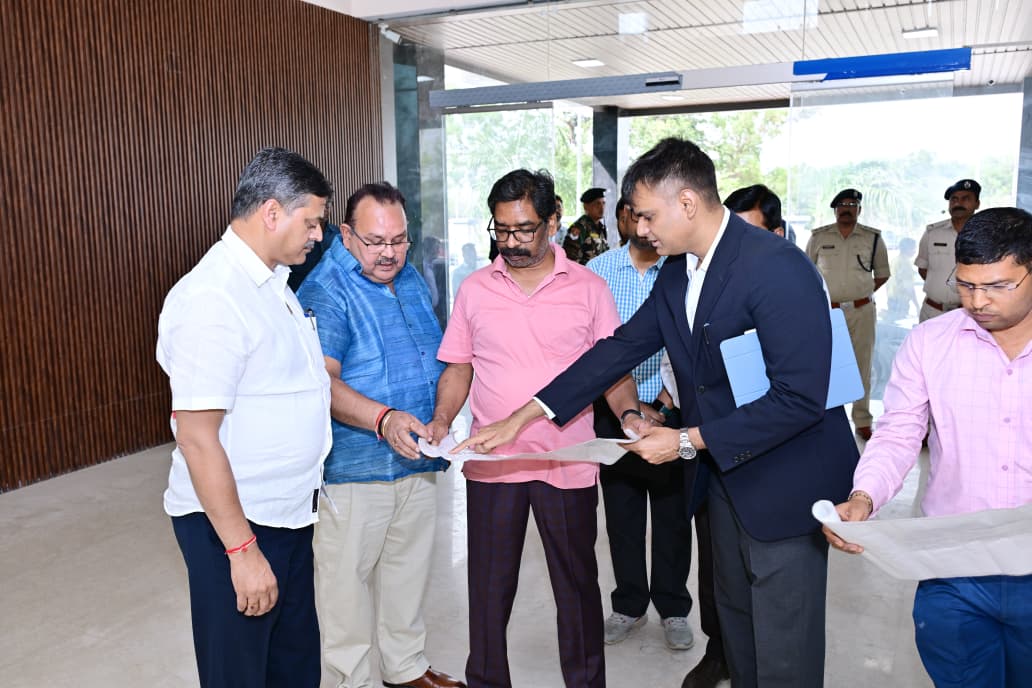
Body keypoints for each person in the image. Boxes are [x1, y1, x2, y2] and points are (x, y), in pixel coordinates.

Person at [456, 138, 860, 688]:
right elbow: (618, 351)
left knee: (784, 648)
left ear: (687, 203)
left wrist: (686, 439)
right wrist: (523, 416)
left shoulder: (777, 266)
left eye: (647, 215)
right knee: (737, 631)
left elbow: (800, 398)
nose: (640, 229)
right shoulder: (678, 272)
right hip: (727, 478)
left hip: (786, 483)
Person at [429, 168, 641, 688]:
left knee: (576, 586)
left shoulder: (588, 288)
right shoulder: (475, 289)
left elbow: (610, 371)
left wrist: (629, 414)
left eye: (524, 229)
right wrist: (441, 420)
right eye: (501, 230)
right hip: (492, 463)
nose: (511, 242)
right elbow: (458, 366)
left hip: (567, 461)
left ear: (552, 221)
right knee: (489, 587)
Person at [824, 207, 1032, 688]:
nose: (978, 301)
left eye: (998, 286)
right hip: (953, 569)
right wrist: (864, 497)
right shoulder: (930, 342)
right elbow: (899, 432)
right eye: (966, 285)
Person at [156, 147, 333, 688]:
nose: (318, 235)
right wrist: (241, 550)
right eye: (312, 222)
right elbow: (197, 438)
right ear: (272, 212)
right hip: (235, 526)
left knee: (292, 669)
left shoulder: (272, 285)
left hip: (286, 517)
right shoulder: (213, 298)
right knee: (240, 673)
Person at [296, 183, 464, 688]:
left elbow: (436, 354)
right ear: (346, 234)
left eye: (398, 240)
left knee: (407, 570)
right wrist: (383, 419)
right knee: (345, 586)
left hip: (416, 454)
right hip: (355, 466)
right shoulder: (326, 290)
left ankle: (404, 666)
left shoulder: (408, 277)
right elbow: (321, 383)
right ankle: (351, 680)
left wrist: (439, 416)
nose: (389, 253)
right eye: (374, 241)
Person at [585, 199, 696, 653]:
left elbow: (693, 342)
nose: (644, 224)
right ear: (623, 218)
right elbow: (594, 346)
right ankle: (629, 604)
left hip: (674, 410)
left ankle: (674, 607)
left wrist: (665, 404)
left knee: (673, 514)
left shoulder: (683, 269)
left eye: (651, 215)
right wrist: (628, 409)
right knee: (622, 514)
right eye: (635, 214)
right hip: (615, 412)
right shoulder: (598, 271)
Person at [805, 188, 891, 440]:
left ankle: (862, 420)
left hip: (861, 311)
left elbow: (882, 274)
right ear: (835, 209)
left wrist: (858, 293)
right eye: (842, 204)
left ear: (859, 209)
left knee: (861, 365)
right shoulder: (819, 237)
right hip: (827, 312)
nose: (847, 208)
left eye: (852, 204)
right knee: (823, 364)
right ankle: (822, 417)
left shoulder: (872, 238)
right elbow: (806, 271)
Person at [916, 178, 981, 322]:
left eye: (965, 199)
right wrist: (941, 288)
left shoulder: (986, 235)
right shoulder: (933, 232)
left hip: (971, 314)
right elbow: (923, 269)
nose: (958, 203)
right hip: (933, 311)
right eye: (954, 199)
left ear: (977, 203)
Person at [563, 187, 610, 264]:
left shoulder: (601, 227)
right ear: (586, 206)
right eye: (597, 203)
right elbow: (570, 258)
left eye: (603, 203)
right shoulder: (580, 227)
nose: (602, 207)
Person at [887, 237, 920, 320]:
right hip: (900, 302)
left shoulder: (895, 260)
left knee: (893, 323)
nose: (915, 251)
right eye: (913, 248)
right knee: (900, 322)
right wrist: (917, 306)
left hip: (891, 299)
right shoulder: (905, 263)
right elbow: (909, 287)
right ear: (907, 249)